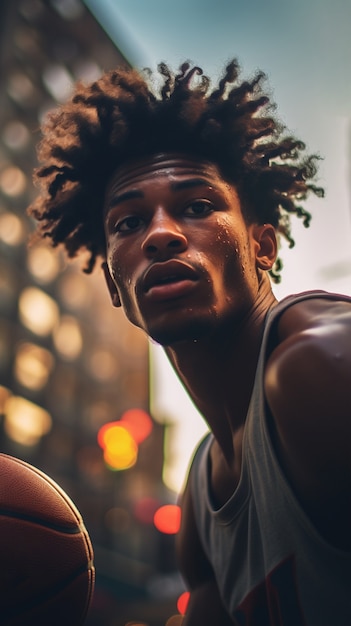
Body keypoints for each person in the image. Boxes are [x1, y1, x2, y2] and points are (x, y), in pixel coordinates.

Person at [28, 60, 351, 625]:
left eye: (198, 207)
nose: (159, 234)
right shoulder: (200, 503)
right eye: (128, 223)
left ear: (263, 248)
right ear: (114, 285)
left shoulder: (317, 367)